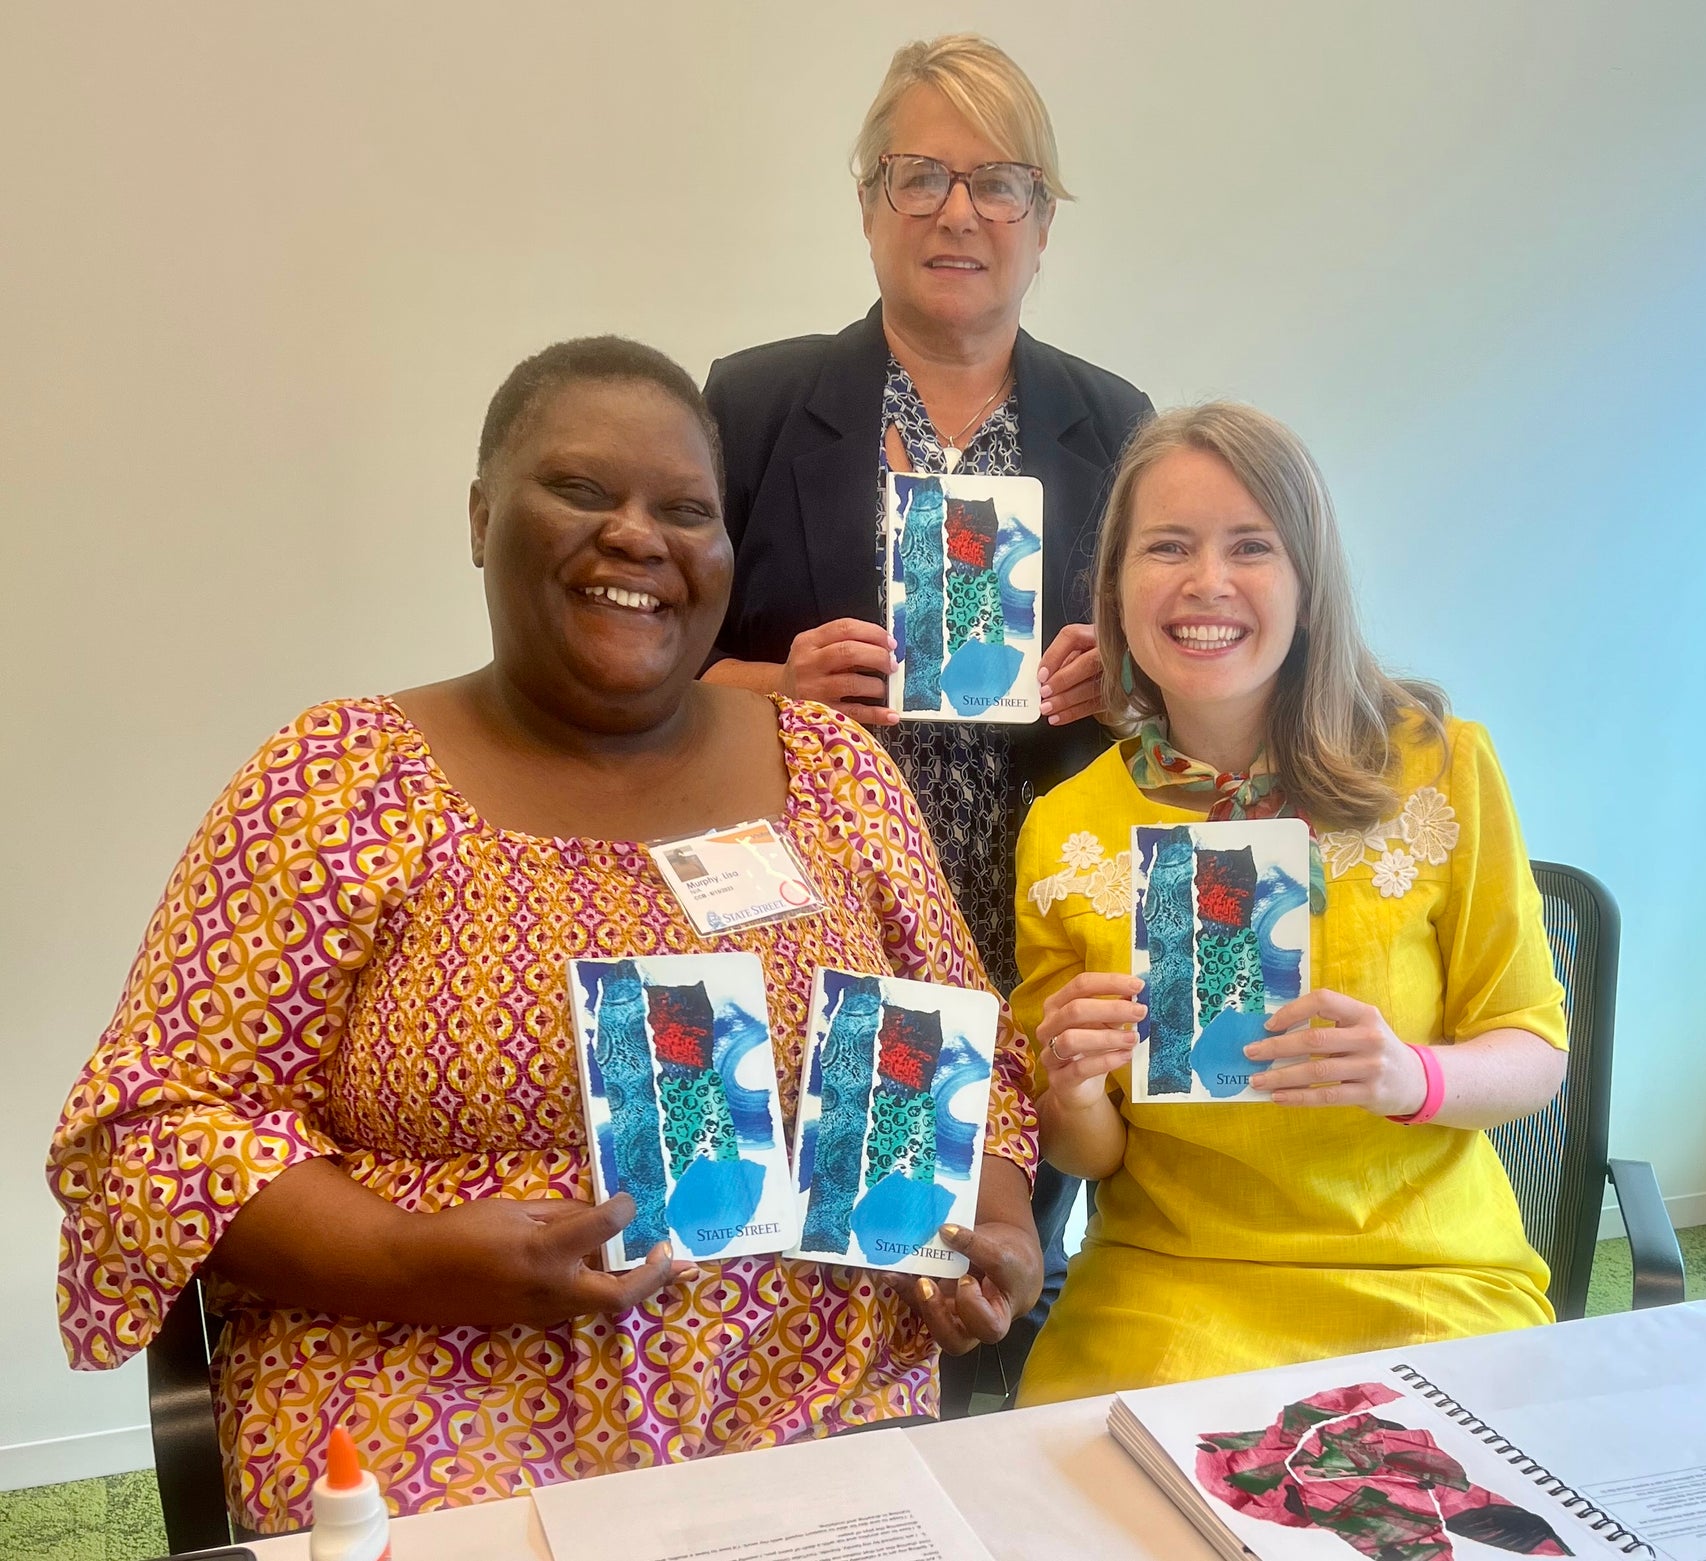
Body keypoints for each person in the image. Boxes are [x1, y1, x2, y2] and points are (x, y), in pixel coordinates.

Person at [48, 338, 1043, 1534]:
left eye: (685, 509)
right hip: (430, 1406)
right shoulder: (339, 781)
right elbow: (153, 1132)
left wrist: (990, 1223)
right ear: (479, 518)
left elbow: (973, 1063)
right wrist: (412, 1259)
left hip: (818, 1418)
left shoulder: (836, 776)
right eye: (580, 491)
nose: (637, 535)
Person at [1010, 404, 1570, 1406]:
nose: (1205, 582)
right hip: (1166, 1286)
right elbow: (1085, 1151)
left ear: (1307, 582)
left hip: (1423, 1276)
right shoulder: (1067, 827)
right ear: (1117, 587)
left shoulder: (1438, 764)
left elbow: (1532, 1050)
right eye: (1167, 547)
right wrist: (1076, 1088)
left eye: (1250, 547)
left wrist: (1411, 1077)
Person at [702, 33, 1152, 999]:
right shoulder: (752, 407)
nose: (958, 212)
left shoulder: (1119, 427)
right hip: (810, 925)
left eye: (998, 183)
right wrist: (782, 685)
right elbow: (656, 677)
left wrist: (1126, 688)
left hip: (1049, 935)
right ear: (868, 209)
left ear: (1041, 227)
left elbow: (1190, 700)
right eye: (919, 178)